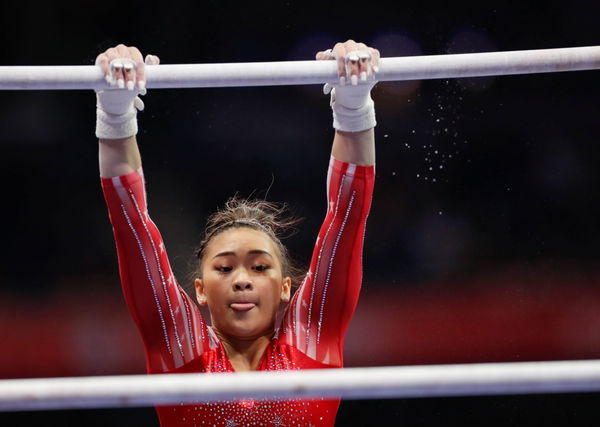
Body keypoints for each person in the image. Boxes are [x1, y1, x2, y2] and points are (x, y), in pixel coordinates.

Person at [97, 40, 378, 426]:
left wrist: (354, 104)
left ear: (285, 288)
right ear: (199, 289)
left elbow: (347, 220)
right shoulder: (180, 345)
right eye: (225, 268)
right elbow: (131, 226)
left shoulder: (310, 333)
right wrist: (114, 114)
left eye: (260, 268)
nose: (242, 281)